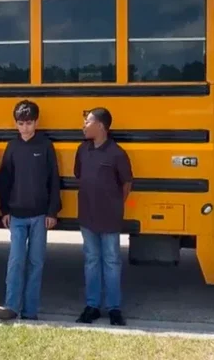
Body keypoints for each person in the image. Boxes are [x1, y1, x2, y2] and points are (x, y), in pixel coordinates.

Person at [0, 100, 61, 321]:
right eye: (21, 123)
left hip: (40, 215)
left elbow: (54, 181)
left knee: (36, 262)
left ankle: (30, 311)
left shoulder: (45, 146)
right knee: (16, 261)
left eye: (29, 123)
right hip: (17, 215)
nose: (25, 128)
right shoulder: (12, 147)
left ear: (36, 122)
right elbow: (4, 180)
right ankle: (11, 305)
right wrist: (4, 209)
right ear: (15, 124)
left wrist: (52, 212)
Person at [73, 107, 133, 326]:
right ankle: (92, 306)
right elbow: (79, 174)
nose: (83, 126)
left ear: (100, 126)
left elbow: (126, 183)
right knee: (91, 261)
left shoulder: (117, 153)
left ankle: (114, 308)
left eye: (87, 122)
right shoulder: (82, 150)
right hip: (88, 216)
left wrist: (115, 204)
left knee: (111, 261)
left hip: (110, 218)